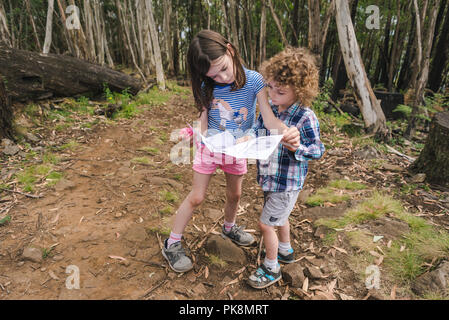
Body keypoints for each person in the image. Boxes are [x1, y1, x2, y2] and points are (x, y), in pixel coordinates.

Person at [161, 30, 300, 273]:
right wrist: (199, 137)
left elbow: (268, 119)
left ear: (230, 50)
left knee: (235, 195)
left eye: (224, 68)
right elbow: (203, 119)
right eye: (214, 75)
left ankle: (229, 226)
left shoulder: (255, 81)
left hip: (238, 148)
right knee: (197, 197)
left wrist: (287, 131)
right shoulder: (207, 85)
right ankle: (172, 242)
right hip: (211, 147)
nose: (222, 77)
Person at [242, 47, 325, 289]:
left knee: (266, 224)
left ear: (299, 91)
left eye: (280, 91)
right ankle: (285, 250)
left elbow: (317, 150)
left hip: (287, 184)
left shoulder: (305, 117)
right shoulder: (272, 107)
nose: (272, 94)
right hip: (269, 178)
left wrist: (297, 147)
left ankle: (271, 267)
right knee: (281, 217)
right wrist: (249, 136)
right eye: (269, 87)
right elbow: (258, 127)